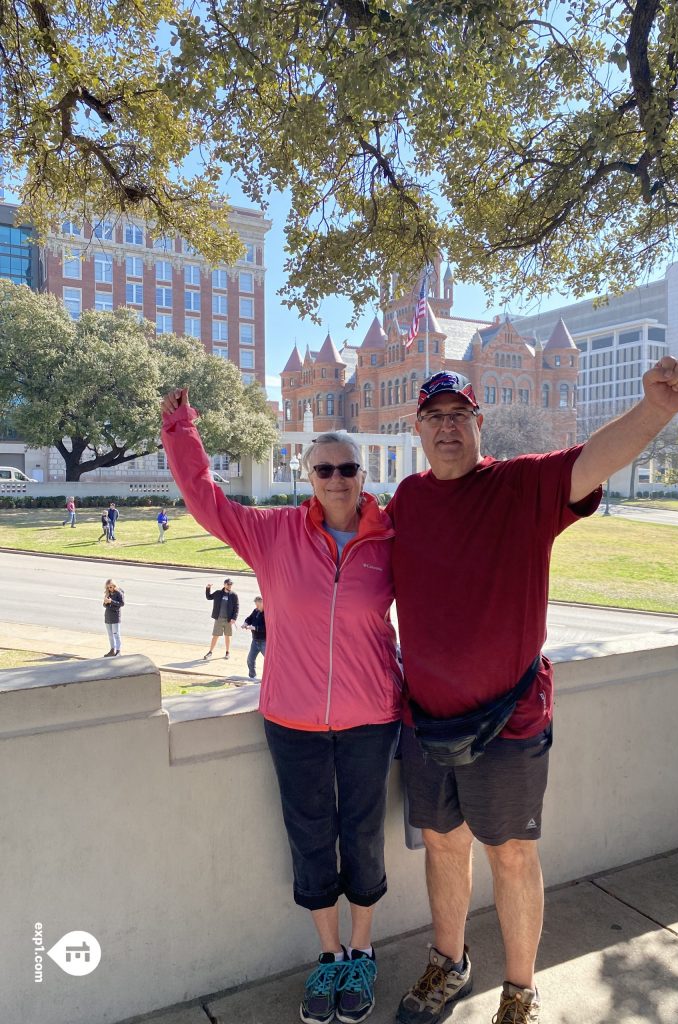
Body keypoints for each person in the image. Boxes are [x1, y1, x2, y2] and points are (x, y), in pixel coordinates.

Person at [388, 361, 678, 1024]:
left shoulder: (520, 484)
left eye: (459, 416)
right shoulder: (408, 502)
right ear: (417, 428)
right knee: (444, 845)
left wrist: (655, 411)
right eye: (434, 418)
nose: (447, 428)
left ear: (480, 423)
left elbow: (592, 460)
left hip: (509, 721)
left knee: (511, 854)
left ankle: (520, 990)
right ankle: (449, 962)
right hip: (426, 723)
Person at [161, 389, 401, 1024]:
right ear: (308, 476)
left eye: (348, 467)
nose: (337, 478)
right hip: (292, 719)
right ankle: (328, 958)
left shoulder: (391, 540)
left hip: (371, 718)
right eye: (323, 468)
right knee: (311, 835)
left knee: (364, 835)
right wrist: (180, 426)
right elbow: (206, 499)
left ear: (363, 473)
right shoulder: (272, 535)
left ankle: (362, 948)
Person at [203, 579, 239, 660]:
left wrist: (234, 618)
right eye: (228, 584)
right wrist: (208, 588)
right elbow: (209, 597)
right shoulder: (218, 593)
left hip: (228, 620)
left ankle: (227, 652)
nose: (230, 586)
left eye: (231, 584)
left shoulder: (234, 595)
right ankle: (210, 652)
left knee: (227, 636)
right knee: (215, 636)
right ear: (224, 584)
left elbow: (236, 608)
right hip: (218, 619)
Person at [242, 595, 267, 679]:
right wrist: (246, 623)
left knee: (269, 661)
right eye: (256, 604)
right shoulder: (256, 611)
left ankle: (270, 678)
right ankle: (252, 676)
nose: (256, 607)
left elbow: (267, 628)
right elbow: (249, 618)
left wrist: (255, 628)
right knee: (250, 660)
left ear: (263, 603)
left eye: (258, 605)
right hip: (255, 641)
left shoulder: (268, 613)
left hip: (264, 642)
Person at [103, 579, 124, 657]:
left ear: (114, 586)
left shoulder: (119, 593)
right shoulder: (108, 593)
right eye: (108, 587)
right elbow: (104, 605)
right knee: (110, 635)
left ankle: (118, 651)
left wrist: (111, 601)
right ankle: (112, 649)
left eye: (111, 587)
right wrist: (106, 602)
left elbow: (122, 603)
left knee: (116, 634)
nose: (109, 589)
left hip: (115, 616)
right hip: (108, 616)